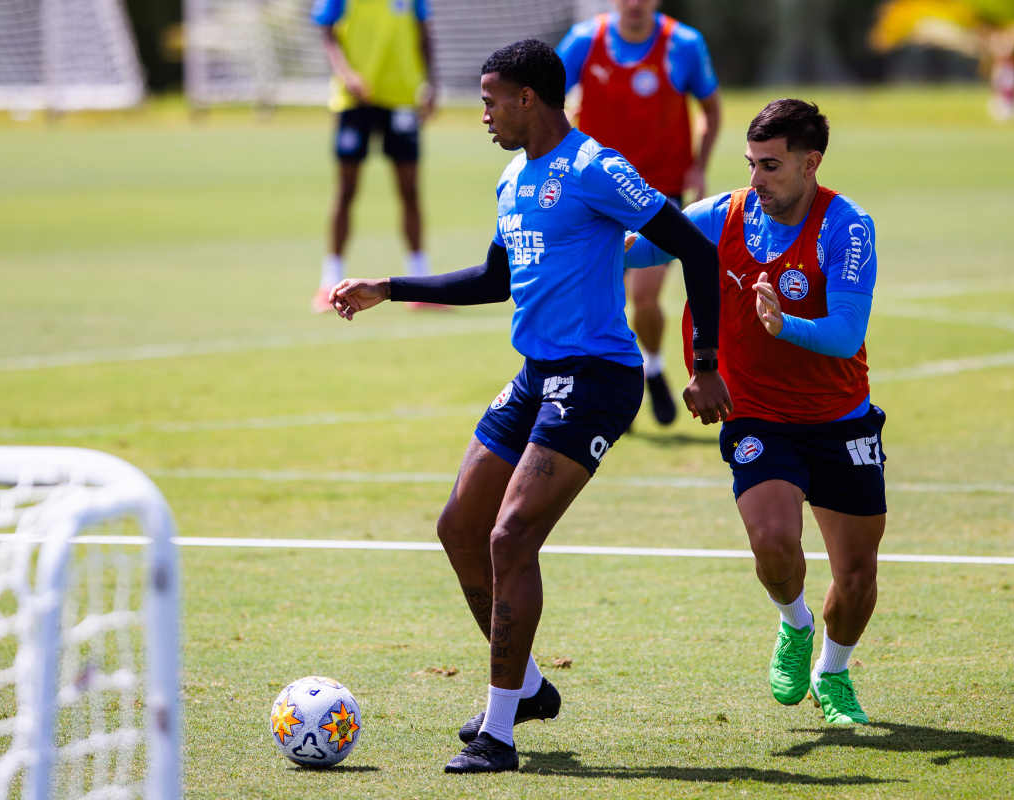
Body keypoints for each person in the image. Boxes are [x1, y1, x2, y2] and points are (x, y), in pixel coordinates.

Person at [328, 39, 731, 773]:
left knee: (511, 536)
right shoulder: (512, 177)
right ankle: (530, 687)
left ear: (527, 99)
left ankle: (501, 734)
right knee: (460, 528)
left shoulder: (596, 169)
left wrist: (703, 367)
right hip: (536, 372)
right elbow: (494, 279)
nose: (481, 114)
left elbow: (695, 251)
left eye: (489, 100)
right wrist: (390, 287)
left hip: (599, 377)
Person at [626, 99, 885, 725]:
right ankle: (795, 625)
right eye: (751, 164)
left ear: (810, 163)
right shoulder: (722, 215)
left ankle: (834, 671)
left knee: (854, 578)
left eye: (771, 166)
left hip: (841, 417)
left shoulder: (846, 227)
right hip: (757, 414)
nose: (756, 179)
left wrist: (782, 323)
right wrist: (572, 238)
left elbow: (847, 334)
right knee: (773, 542)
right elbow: (643, 251)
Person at [557, 0, 721, 425]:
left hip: (658, 192)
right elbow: (544, 99)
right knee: (597, 298)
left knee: (643, 297)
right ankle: (626, 379)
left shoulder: (682, 44)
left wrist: (699, 164)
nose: (634, 3)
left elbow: (711, 109)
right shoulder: (583, 41)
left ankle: (651, 364)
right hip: (594, 193)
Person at [310, 0, 437, 312]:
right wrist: (346, 74)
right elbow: (327, 33)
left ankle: (420, 281)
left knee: (409, 190)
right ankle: (330, 281)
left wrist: (431, 82)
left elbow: (424, 32)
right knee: (347, 190)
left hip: (402, 96)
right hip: (355, 99)